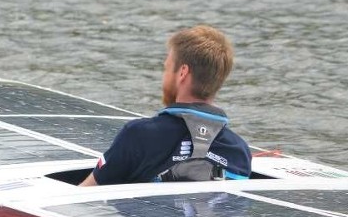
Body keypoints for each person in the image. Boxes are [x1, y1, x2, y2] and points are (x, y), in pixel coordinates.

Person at [80, 25, 252, 186]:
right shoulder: (239, 152)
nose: (164, 77)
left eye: (167, 68)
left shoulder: (138, 136)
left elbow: (84, 195)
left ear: (182, 72)